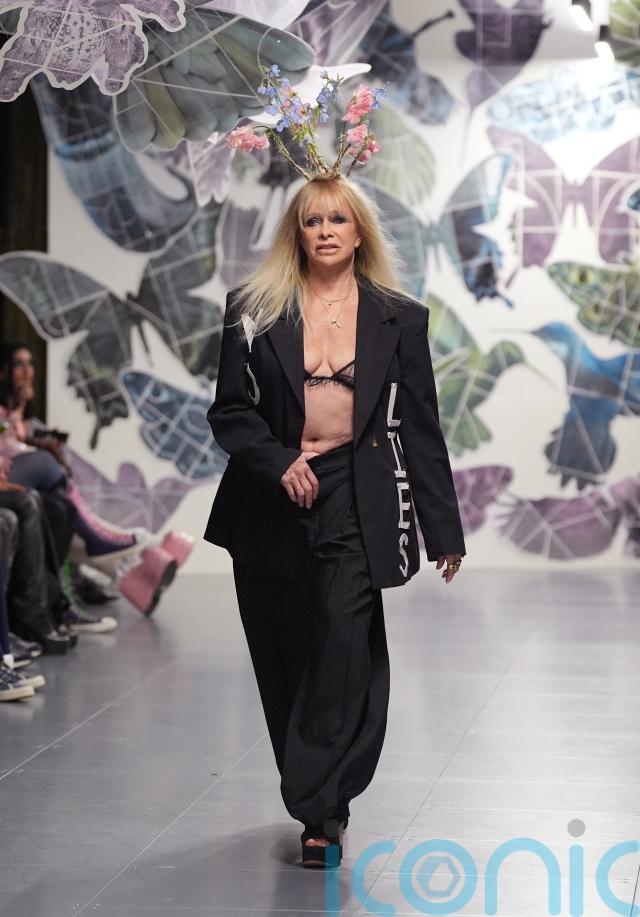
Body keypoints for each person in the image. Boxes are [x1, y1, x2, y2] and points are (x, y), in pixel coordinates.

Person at [204, 71, 465, 871]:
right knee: (285, 651)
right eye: (312, 219)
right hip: (270, 500)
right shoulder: (254, 307)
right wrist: (279, 460)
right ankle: (317, 788)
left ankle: (321, 809)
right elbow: (230, 412)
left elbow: (420, 426)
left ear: (358, 232)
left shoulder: (399, 318)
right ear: (297, 232)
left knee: (346, 648)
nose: (324, 230)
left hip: (356, 492)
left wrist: (444, 529)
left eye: (337, 218)